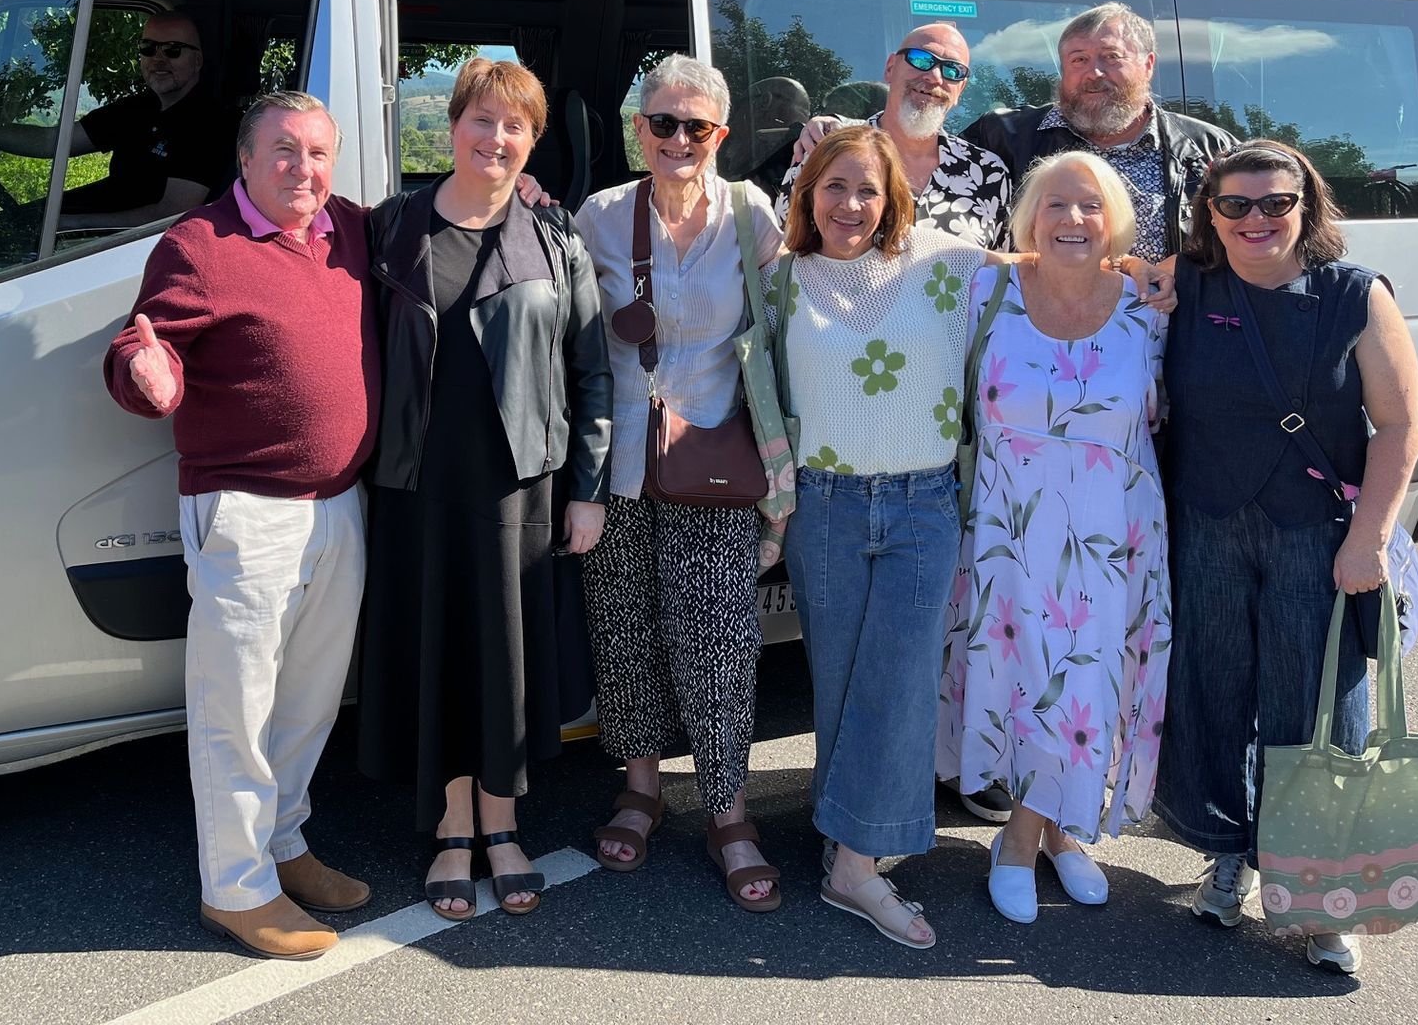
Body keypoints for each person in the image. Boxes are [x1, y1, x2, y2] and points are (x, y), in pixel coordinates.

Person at [102, 91, 377, 961]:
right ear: (246, 159)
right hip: (246, 511)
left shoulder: (350, 232)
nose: (305, 169)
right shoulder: (199, 243)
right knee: (238, 710)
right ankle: (236, 889)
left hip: (339, 505)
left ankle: (284, 843)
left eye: (320, 153)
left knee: (307, 702)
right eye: (286, 151)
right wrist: (142, 369)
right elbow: (146, 347)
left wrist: (523, 194)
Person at [1154, 140, 1418, 977]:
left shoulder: (1354, 295)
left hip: (1318, 535)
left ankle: (1320, 891)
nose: (1256, 219)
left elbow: (1402, 427)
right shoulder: (1184, 288)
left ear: (1307, 206)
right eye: (1235, 205)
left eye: (1276, 202)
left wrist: (1370, 538)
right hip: (1207, 524)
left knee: (1315, 713)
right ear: (1210, 213)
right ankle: (1226, 851)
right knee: (1213, 693)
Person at [356, 56, 613, 921]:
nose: (495, 139)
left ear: (532, 140)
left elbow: (591, 370)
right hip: (415, 487)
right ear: (452, 126)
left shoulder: (556, 237)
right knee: (439, 655)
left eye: (515, 127)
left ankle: (503, 826)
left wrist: (589, 488)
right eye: (481, 120)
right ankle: (452, 828)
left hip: (521, 489)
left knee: (505, 662)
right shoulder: (391, 226)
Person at [765, 124, 993, 949]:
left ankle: (854, 866)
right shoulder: (781, 277)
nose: (850, 205)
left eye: (868, 189)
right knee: (838, 677)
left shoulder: (948, 261)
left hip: (923, 502)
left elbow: (1054, 266)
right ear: (807, 194)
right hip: (822, 504)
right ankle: (849, 832)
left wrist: (1155, 276)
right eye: (834, 187)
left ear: (893, 196)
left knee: (896, 679)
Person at [574, 53, 787, 913]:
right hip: (616, 462)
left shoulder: (750, 214)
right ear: (639, 129)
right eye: (662, 122)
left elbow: (784, 334)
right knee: (623, 632)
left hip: (716, 459)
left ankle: (728, 809)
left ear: (720, 136)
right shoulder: (599, 216)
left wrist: (783, 485)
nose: (677, 138)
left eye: (696, 126)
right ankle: (642, 786)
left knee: (719, 643)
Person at [936, 152, 1171, 925]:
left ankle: (1037, 836)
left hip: (1113, 537)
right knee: (1026, 682)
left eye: (1091, 206)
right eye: (1056, 205)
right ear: (1029, 217)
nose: (1074, 219)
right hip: (1012, 532)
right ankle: (1048, 836)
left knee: (1084, 688)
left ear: (1116, 221)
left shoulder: (1148, 303)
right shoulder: (985, 288)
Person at [786, 3, 1236, 260]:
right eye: (1078, 60)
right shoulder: (1005, 141)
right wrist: (839, 128)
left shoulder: (1208, 150)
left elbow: (1239, 243)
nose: (1093, 73)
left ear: (1148, 65)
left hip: (1170, 349)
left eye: (1110, 57)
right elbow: (909, 135)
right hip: (1044, 351)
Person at [0, 10, 237, 229]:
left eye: (172, 49)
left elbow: (169, 216)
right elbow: (50, 142)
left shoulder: (209, 124)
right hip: (89, 227)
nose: (158, 59)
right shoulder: (137, 109)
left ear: (197, 61)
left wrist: (67, 225)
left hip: (118, 249)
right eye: (148, 48)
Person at [774, 24, 1011, 251]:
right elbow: (785, 253)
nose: (935, 77)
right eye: (921, 59)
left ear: (960, 90)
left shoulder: (989, 173)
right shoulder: (827, 148)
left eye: (953, 70)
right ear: (890, 68)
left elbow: (1001, 276)